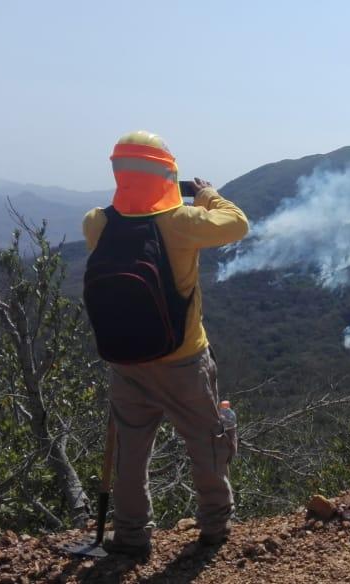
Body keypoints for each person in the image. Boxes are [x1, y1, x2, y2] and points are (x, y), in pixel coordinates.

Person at [82, 130, 249, 557]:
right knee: (206, 443)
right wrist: (207, 194)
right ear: (167, 173)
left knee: (131, 453)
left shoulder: (96, 222)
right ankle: (214, 527)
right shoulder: (181, 222)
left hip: (126, 361)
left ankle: (131, 535)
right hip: (184, 361)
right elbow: (238, 223)